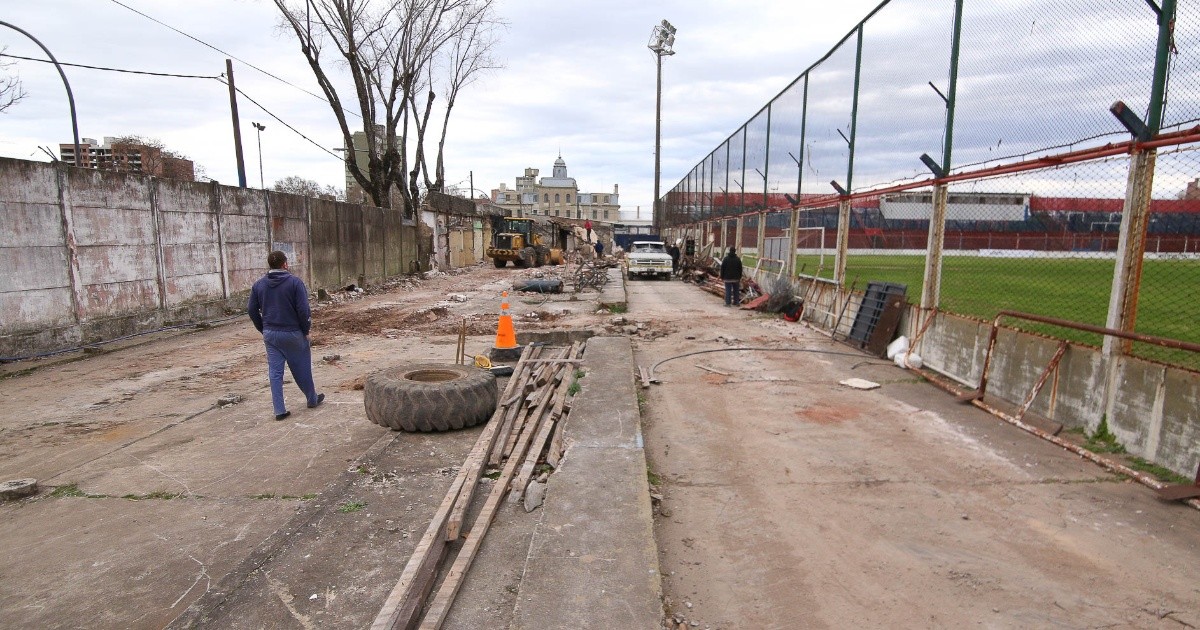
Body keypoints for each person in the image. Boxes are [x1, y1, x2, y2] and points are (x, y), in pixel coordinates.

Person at [248, 251, 324, 420]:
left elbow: (251, 310)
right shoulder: (295, 283)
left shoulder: (259, 285)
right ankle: (312, 399)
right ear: (285, 264)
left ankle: (279, 410)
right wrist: (306, 331)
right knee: (302, 367)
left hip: (270, 334)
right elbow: (304, 311)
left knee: (275, 373)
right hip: (292, 332)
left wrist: (263, 329)